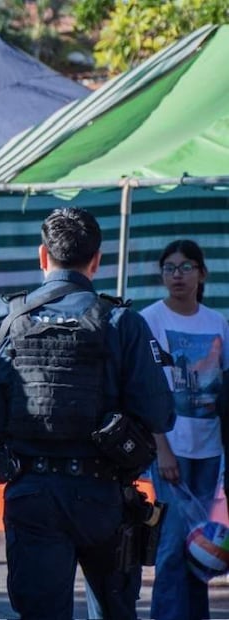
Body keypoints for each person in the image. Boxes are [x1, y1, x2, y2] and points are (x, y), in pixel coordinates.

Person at [0, 207, 175, 620]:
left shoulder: (5, 320)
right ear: (96, 260)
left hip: (31, 490)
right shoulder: (121, 322)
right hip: (104, 496)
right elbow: (160, 414)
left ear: (43, 256)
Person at [140, 239, 229, 620]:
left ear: (202, 274)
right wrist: (161, 448)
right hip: (171, 449)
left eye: (186, 267)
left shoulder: (217, 322)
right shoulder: (150, 319)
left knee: (203, 550)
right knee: (173, 548)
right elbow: (146, 389)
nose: (177, 275)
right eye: (170, 268)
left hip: (210, 451)